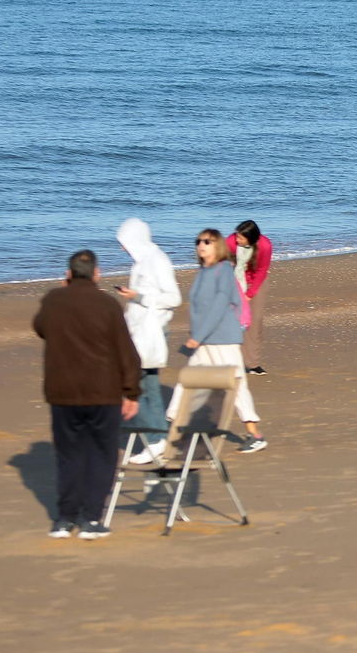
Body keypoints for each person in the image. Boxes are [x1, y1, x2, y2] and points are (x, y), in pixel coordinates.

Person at [31, 249, 142, 539]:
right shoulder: (106, 304)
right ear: (97, 274)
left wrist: (62, 293)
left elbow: (41, 327)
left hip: (64, 392)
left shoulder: (54, 300)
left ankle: (65, 519)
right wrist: (131, 391)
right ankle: (91, 518)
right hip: (101, 392)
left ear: (68, 274)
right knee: (101, 454)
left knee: (69, 454)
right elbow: (126, 351)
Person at [163, 229, 267, 453]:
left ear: (217, 245)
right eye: (198, 241)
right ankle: (172, 428)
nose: (201, 245)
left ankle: (255, 434)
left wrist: (197, 336)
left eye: (207, 241)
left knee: (235, 384)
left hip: (222, 339)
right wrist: (197, 336)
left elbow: (221, 304)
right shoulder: (203, 272)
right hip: (203, 340)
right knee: (187, 380)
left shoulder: (224, 270)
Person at [115, 218, 181, 458]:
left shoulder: (157, 260)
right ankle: (157, 440)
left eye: (124, 242)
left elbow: (174, 298)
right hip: (139, 331)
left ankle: (154, 440)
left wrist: (139, 296)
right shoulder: (140, 262)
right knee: (149, 388)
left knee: (133, 384)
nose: (122, 248)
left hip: (151, 332)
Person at [230, 220, 272, 375]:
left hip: (256, 282)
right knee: (233, 320)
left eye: (241, 238)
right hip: (235, 279)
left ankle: (252, 364)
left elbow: (261, 271)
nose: (237, 240)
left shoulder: (265, 245)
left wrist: (249, 295)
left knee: (255, 321)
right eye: (237, 236)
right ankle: (232, 361)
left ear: (252, 238)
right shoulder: (231, 241)